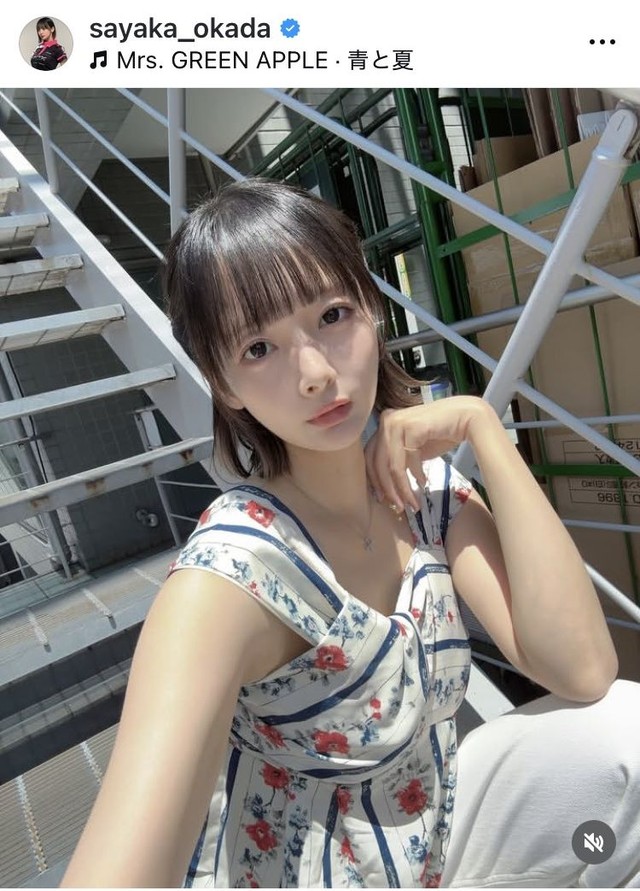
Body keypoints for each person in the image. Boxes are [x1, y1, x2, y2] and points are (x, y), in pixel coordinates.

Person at [60, 179, 640, 888]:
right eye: (259, 347)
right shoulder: (233, 575)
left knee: (628, 732)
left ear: (373, 309)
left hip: (437, 831)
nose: (314, 373)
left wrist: (482, 428)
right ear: (224, 384)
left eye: (332, 315)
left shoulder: (424, 493)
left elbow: (583, 669)